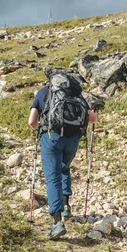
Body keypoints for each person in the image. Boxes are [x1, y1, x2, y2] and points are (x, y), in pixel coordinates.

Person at [28, 73, 98, 240]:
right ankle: (66, 205)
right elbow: (93, 118)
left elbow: (32, 122)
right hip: (73, 139)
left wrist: (43, 128)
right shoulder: (76, 94)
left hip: (51, 137)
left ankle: (57, 222)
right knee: (64, 168)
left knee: (53, 177)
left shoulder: (43, 92)